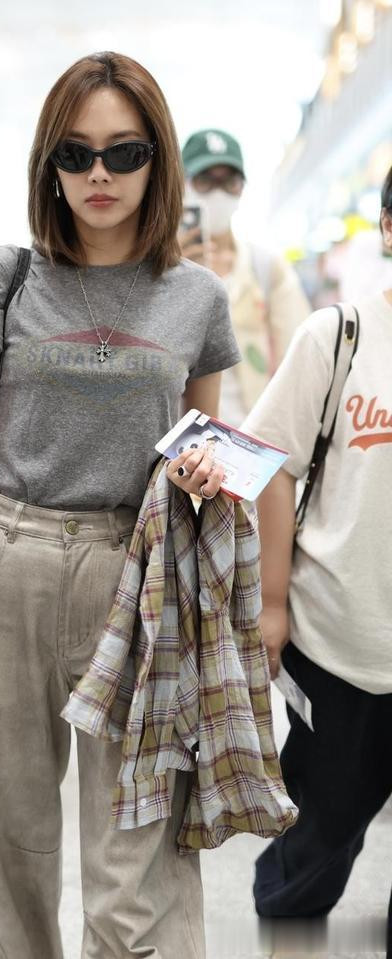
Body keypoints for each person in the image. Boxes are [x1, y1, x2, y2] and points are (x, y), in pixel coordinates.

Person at [0, 51, 240, 958]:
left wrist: (205, 472)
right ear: (49, 164)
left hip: (136, 577)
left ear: (157, 161)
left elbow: (202, 443)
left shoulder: (196, 297)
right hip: (2, 562)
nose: (100, 174)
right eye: (76, 152)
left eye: (124, 153)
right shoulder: (3, 274)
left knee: (140, 855)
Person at [242, 165, 392, 953]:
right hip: (338, 642)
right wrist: (273, 602)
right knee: (315, 844)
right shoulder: (340, 336)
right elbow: (271, 460)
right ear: (389, 229)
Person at [179, 128, 310, 425]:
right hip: (178, 437)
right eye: (205, 180)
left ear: (242, 188)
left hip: (252, 433)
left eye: (230, 182)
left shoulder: (267, 268)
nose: (218, 193)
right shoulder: (154, 268)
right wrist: (170, 277)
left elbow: (300, 359)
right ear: (182, 184)